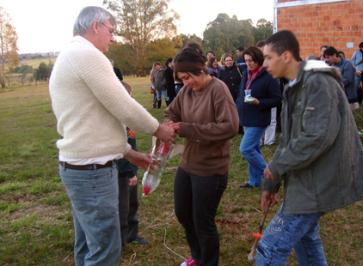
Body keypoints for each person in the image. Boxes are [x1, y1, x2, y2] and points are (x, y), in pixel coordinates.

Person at [49, 6, 175, 265]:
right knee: (105, 251)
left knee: (88, 247)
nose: (113, 37)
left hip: (82, 168)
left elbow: (93, 121)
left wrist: (128, 153)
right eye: (111, 30)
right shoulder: (86, 54)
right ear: (95, 26)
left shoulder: (73, 54)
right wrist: (158, 129)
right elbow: (122, 104)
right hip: (92, 173)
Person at [257, 30, 363, 266]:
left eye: (268, 58)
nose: (264, 64)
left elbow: (316, 137)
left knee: (269, 248)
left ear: (286, 56)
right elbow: (289, 140)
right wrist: (271, 181)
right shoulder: (294, 87)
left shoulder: (318, 84)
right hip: (306, 179)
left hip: (318, 183)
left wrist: (277, 166)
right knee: (307, 242)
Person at [165, 46, 239, 266]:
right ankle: (197, 257)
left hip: (210, 168)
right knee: (183, 214)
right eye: (181, 79)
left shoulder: (218, 89)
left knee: (202, 221)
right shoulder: (186, 91)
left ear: (201, 70)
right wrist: (167, 125)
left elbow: (230, 127)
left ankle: (208, 261)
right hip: (188, 163)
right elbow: (171, 111)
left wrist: (188, 129)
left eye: (188, 77)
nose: (186, 82)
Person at [236, 46, 282, 188]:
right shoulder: (245, 73)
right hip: (246, 117)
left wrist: (259, 102)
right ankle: (254, 181)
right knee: (254, 149)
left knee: (246, 149)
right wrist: (238, 105)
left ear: (258, 60)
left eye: (251, 61)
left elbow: (277, 99)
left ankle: (271, 174)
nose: (248, 64)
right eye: (246, 61)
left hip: (259, 118)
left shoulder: (269, 76)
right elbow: (241, 93)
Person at [114, 76, 148, 247]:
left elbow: (131, 145)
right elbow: (121, 150)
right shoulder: (116, 121)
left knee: (132, 203)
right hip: (121, 171)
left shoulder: (128, 119)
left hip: (130, 168)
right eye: (128, 97)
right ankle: (120, 242)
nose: (131, 101)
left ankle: (132, 234)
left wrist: (133, 170)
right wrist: (129, 173)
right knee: (122, 207)